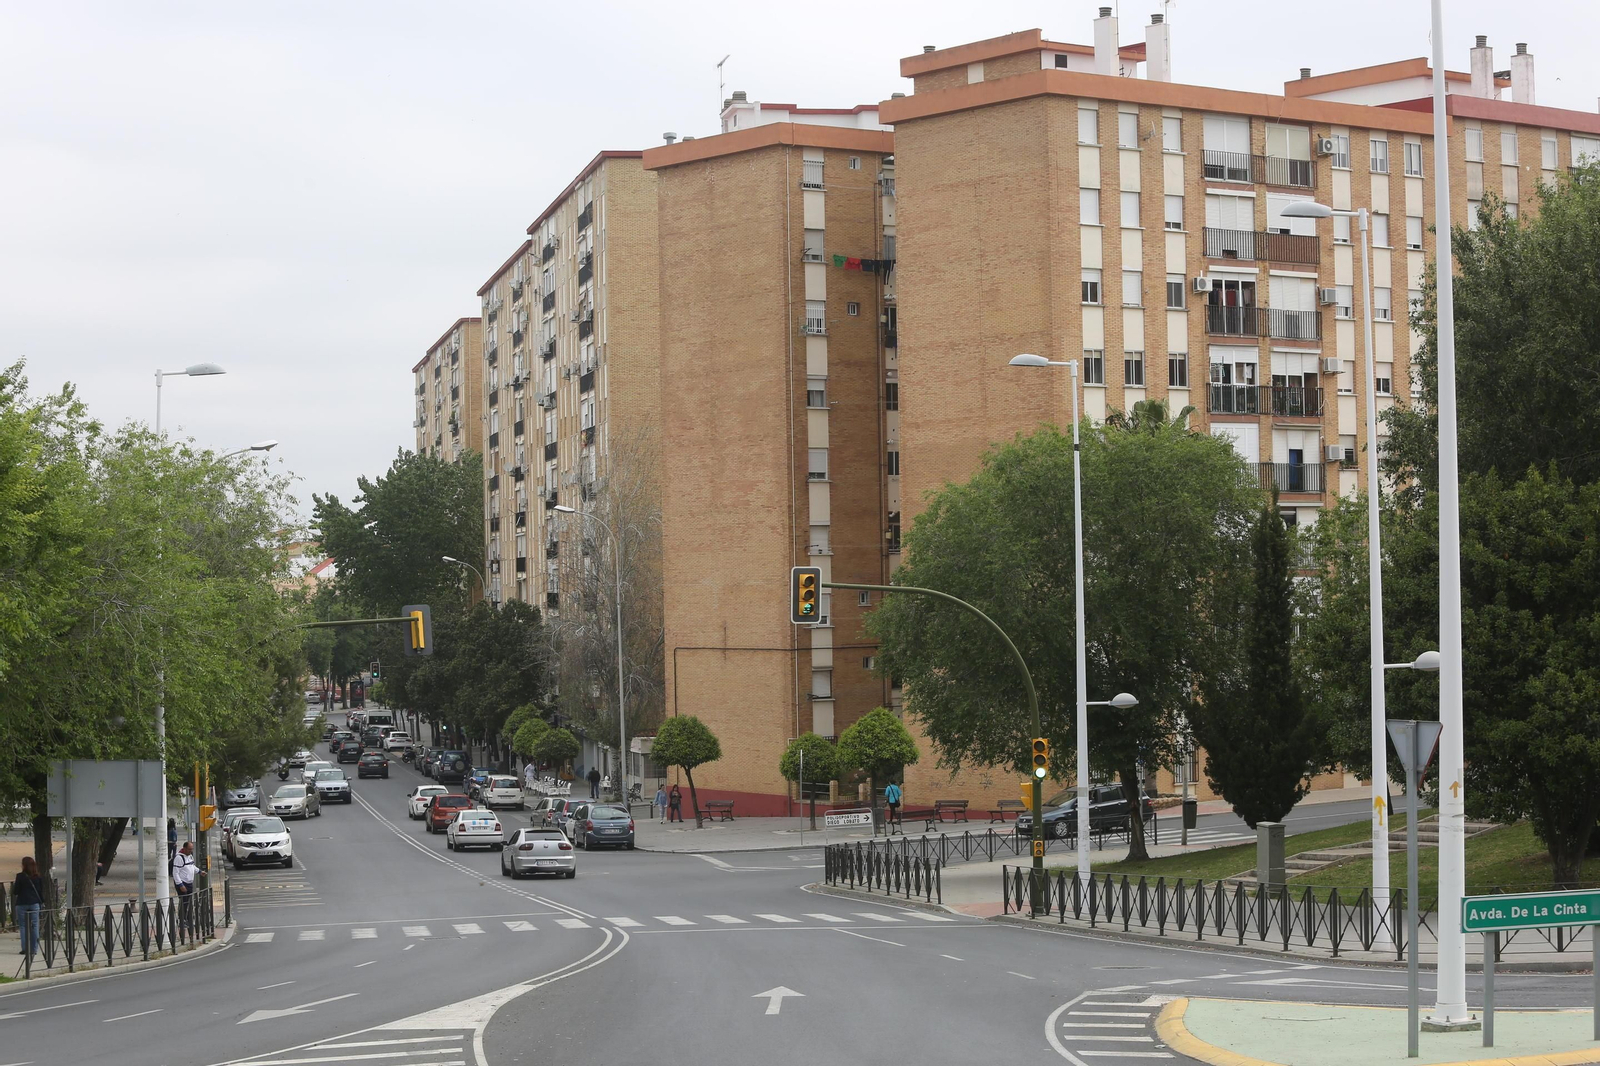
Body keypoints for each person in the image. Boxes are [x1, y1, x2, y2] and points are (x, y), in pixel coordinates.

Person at [13, 856, 44, 957]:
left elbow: (15, 891)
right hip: (34, 903)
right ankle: (34, 949)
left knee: (23, 926)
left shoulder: (20, 876)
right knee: (35, 925)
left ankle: (25, 948)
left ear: (24, 865)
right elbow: (40, 891)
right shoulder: (38, 877)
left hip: (21, 903)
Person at [172, 840, 196, 936]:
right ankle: (182, 919)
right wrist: (180, 885)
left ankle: (187, 918)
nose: (191, 851)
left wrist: (199, 871)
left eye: (192, 849)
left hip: (189, 883)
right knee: (184, 902)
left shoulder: (189, 856)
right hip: (183, 883)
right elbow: (175, 873)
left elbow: (192, 867)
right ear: (185, 848)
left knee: (188, 902)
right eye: (189, 849)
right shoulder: (179, 857)